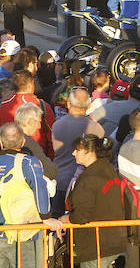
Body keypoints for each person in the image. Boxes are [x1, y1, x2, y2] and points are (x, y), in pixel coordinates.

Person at [0, 123, 61, 268]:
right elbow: (40, 190)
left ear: (1, 143)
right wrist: (46, 217)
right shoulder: (29, 162)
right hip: (23, 233)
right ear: (23, 142)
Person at [64, 135, 127, 268]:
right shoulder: (111, 170)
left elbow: (81, 216)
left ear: (89, 153)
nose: (73, 153)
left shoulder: (89, 178)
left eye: (77, 150)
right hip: (116, 240)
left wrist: (65, 219)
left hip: (96, 246)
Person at [51, 87, 105, 215]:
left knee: (58, 222)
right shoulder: (97, 128)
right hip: (84, 183)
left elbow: (53, 151)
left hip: (60, 180)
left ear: (69, 104)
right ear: (89, 106)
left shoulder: (57, 125)